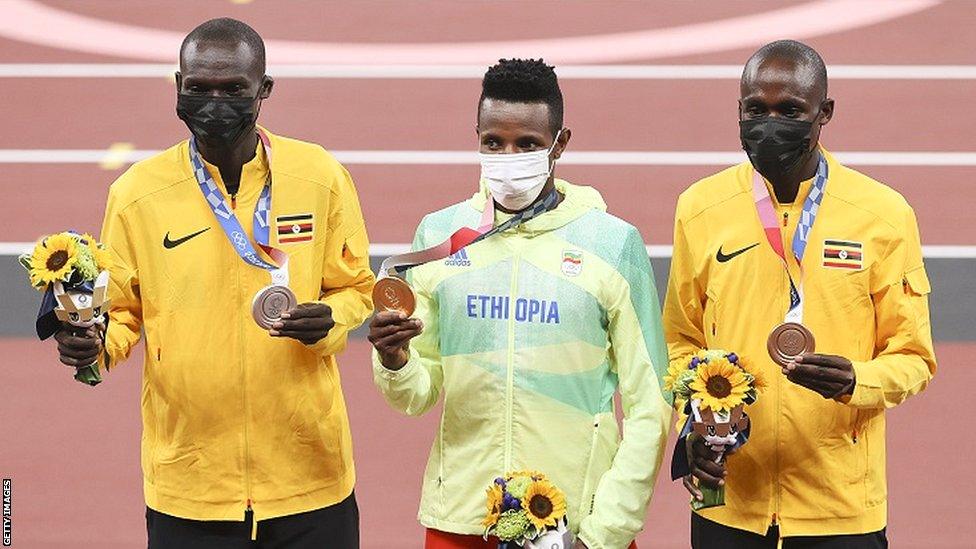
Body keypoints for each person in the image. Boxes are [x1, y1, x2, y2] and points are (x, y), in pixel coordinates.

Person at [51, 18, 372, 548]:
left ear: (264, 90)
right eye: (198, 87)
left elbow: (356, 287)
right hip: (189, 485)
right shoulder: (136, 194)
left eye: (233, 89)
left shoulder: (320, 176)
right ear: (178, 86)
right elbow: (121, 313)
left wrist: (332, 320)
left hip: (310, 479)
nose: (214, 100)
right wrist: (91, 347)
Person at [368, 58, 671, 549]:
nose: (508, 156)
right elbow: (415, 396)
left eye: (527, 144)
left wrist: (604, 532)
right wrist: (394, 360)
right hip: (461, 520)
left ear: (560, 144)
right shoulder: (440, 236)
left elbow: (650, 405)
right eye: (494, 142)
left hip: (573, 526)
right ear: (477, 138)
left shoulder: (612, 244)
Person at [663, 40, 936, 548]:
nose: (770, 123)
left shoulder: (883, 215)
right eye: (755, 109)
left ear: (824, 112)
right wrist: (696, 422)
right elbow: (679, 342)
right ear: (738, 110)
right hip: (728, 505)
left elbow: (914, 357)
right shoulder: (700, 208)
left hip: (841, 509)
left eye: (790, 110)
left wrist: (859, 379)